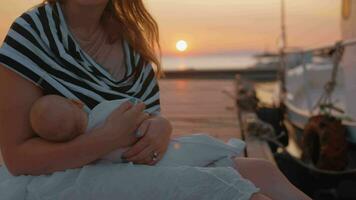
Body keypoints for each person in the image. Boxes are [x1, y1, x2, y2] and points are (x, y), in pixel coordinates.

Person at [0, 0, 311, 199]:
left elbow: (148, 119)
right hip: (57, 181)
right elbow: (17, 159)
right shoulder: (33, 33)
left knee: (262, 170)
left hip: (125, 166)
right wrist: (105, 139)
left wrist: (161, 127)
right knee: (223, 189)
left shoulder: (128, 40)